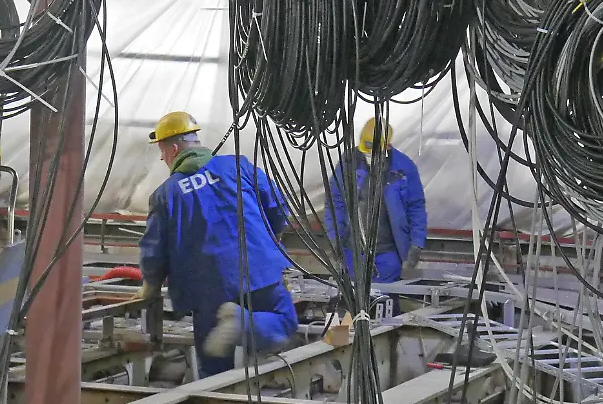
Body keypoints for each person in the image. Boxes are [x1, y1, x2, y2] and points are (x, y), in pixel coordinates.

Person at [137, 111, 297, 377]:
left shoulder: (166, 195)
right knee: (284, 323)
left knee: (213, 370)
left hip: (206, 290)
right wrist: (269, 242)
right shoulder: (237, 166)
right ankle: (243, 324)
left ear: (174, 149)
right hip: (258, 272)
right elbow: (278, 206)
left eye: (162, 152)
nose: (162, 158)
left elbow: (155, 252)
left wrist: (148, 288)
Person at [325, 119, 428, 297]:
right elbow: (335, 202)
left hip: (388, 255)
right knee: (353, 306)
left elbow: (416, 207)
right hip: (353, 253)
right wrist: (334, 238)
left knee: (385, 307)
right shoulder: (348, 164)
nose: (368, 156)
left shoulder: (403, 168)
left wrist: (416, 243)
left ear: (387, 146)